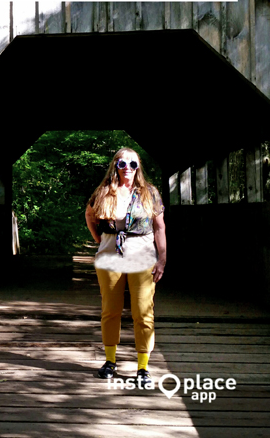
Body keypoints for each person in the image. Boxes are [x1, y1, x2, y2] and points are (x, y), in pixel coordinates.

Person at [85, 147, 166, 386]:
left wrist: (162, 259)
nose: (127, 168)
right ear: (115, 166)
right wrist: (100, 241)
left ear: (138, 167)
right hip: (110, 259)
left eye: (132, 164)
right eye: (122, 164)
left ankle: (143, 368)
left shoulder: (149, 193)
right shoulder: (104, 192)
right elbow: (89, 215)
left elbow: (159, 227)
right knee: (111, 310)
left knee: (143, 312)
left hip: (142, 258)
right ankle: (110, 362)